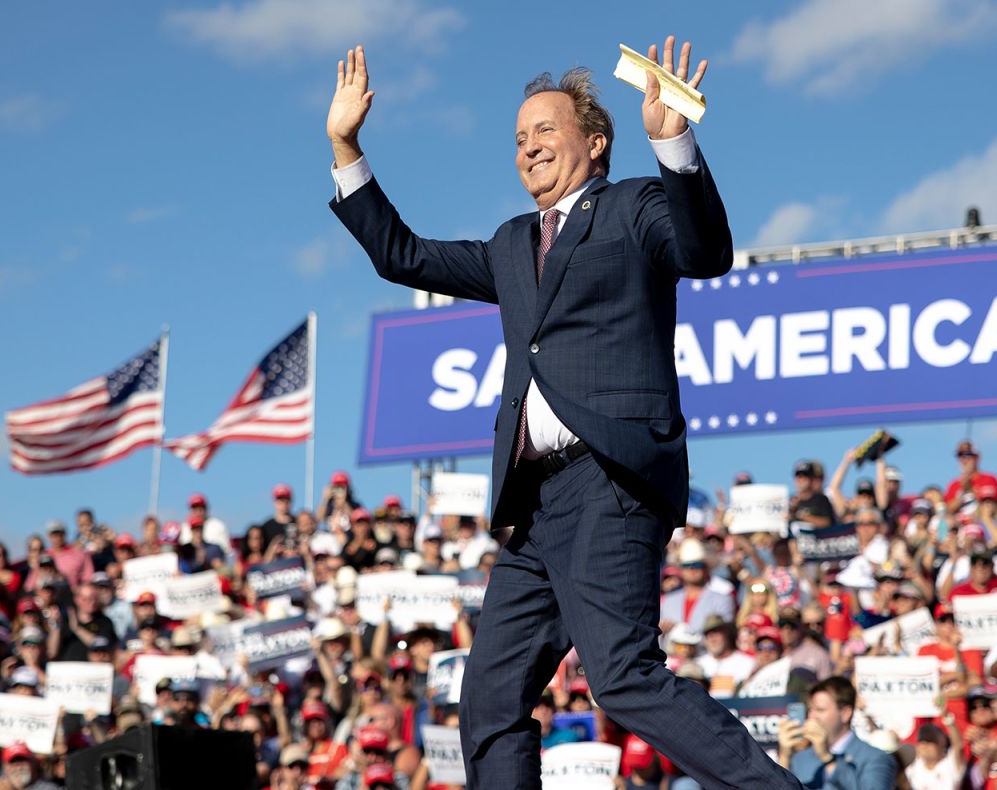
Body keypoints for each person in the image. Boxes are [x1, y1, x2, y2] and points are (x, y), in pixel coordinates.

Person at [326, 36, 794, 789]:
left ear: (595, 141)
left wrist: (673, 141)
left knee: (622, 677)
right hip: (531, 507)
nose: (528, 146)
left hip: (610, 479)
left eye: (546, 129)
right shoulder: (512, 244)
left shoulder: (633, 205)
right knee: (487, 698)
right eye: (518, 137)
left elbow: (705, 253)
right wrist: (346, 144)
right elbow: (401, 255)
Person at [777, 676, 897, 787]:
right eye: (810, 710)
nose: (812, 716)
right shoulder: (800, 758)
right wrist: (784, 757)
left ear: (845, 713)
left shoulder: (876, 759)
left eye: (820, 710)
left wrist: (827, 757)